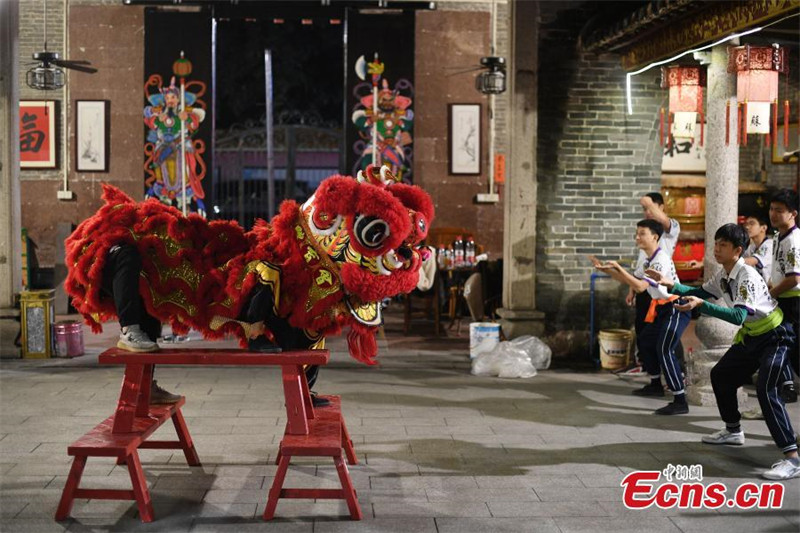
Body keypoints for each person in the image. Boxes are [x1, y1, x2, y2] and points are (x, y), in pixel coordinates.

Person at [647, 223, 799, 480]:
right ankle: (733, 431)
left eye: (723, 245)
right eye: (716, 244)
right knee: (721, 375)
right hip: (752, 336)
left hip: (775, 336)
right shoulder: (725, 273)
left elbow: (739, 314)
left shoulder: (746, 275)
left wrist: (702, 306)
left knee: (766, 390)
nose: (716, 249)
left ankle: (792, 458)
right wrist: (670, 284)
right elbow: (700, 291)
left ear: (738, 250)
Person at [592, 219, 690, 415]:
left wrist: (618, 269)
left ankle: (680, 399)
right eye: (637, 233)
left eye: (642, 233)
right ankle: (655, 385)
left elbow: (640, 287)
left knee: (664, 348)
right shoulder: (647, 259)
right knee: (646, 340)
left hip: (676, 307)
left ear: (655, 236)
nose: (637, 237)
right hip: (661, 308)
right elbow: (635, 280)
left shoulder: (660, 259)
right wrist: (608, 271)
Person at [101, 244, 181, 404]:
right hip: (106, 257)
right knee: (128, 252)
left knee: (148, 299)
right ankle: (128, 331)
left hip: (137, 262)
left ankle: (145, 386)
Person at [620, 193, 682, 376]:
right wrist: (631, 289)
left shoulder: (670, 230)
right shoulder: (645, 235)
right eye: (644, 209)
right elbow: (640, 270)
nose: (647, 212)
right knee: (644, 332)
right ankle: (651, 371)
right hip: (644, 287)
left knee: (668, 335)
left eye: (650, 208)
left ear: (661, 208)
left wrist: (647, 202)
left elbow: (663, 219)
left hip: (662, 290)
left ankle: (679, 373)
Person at [768, 189, 799, 403]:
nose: (773, 214)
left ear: (792, 214)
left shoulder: (793, 240)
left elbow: (794, 278)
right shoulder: (779, 236)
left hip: (794, 302)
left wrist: (771, 293)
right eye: (771, 209)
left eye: (779, 211)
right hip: (783, 299)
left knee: (795, 352)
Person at [742, 213, 773, 285]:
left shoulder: (769, 244)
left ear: (763, 228)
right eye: (746, 224)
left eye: (751, 223)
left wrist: (729, 260)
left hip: (771, 290)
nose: (747, 227)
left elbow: (750, 261)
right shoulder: (752, 247)